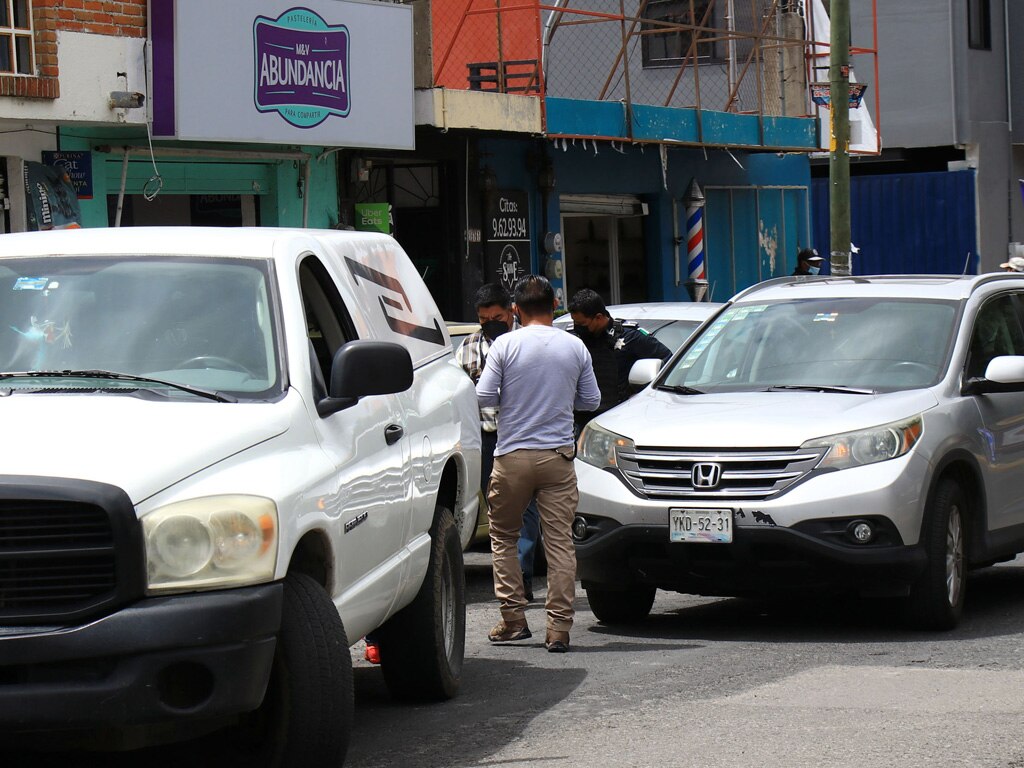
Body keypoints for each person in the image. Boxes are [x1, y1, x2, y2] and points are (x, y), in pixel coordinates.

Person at [477, 275, 600, 653]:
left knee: (504, 538)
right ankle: (559, 629)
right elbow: (590, 401)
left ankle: (514, 620)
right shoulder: (574, 346)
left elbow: (483, 396)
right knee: (561, 543)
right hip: (557, 458)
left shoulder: (505, 345)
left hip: (512, 456)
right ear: (555, 307)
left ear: (516, 309)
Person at [455, 284, 542, 601]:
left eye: (497, 316)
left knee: (527, 509)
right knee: (498, 512)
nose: (491, 322)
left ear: (513, 311)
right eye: (483, 318)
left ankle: (521, 579)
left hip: (524, 435)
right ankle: (511, 581)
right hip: (486, 438)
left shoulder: (530, 342)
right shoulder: (467, 348)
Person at [567, 288, 673, 432]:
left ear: (598, 317)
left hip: (619, 418)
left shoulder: (630, 337)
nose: (577, 328)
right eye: (574, 323)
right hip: (577, 419)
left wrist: (643, 395)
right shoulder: (571, 340)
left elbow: (668, 362)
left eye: (582, 324)